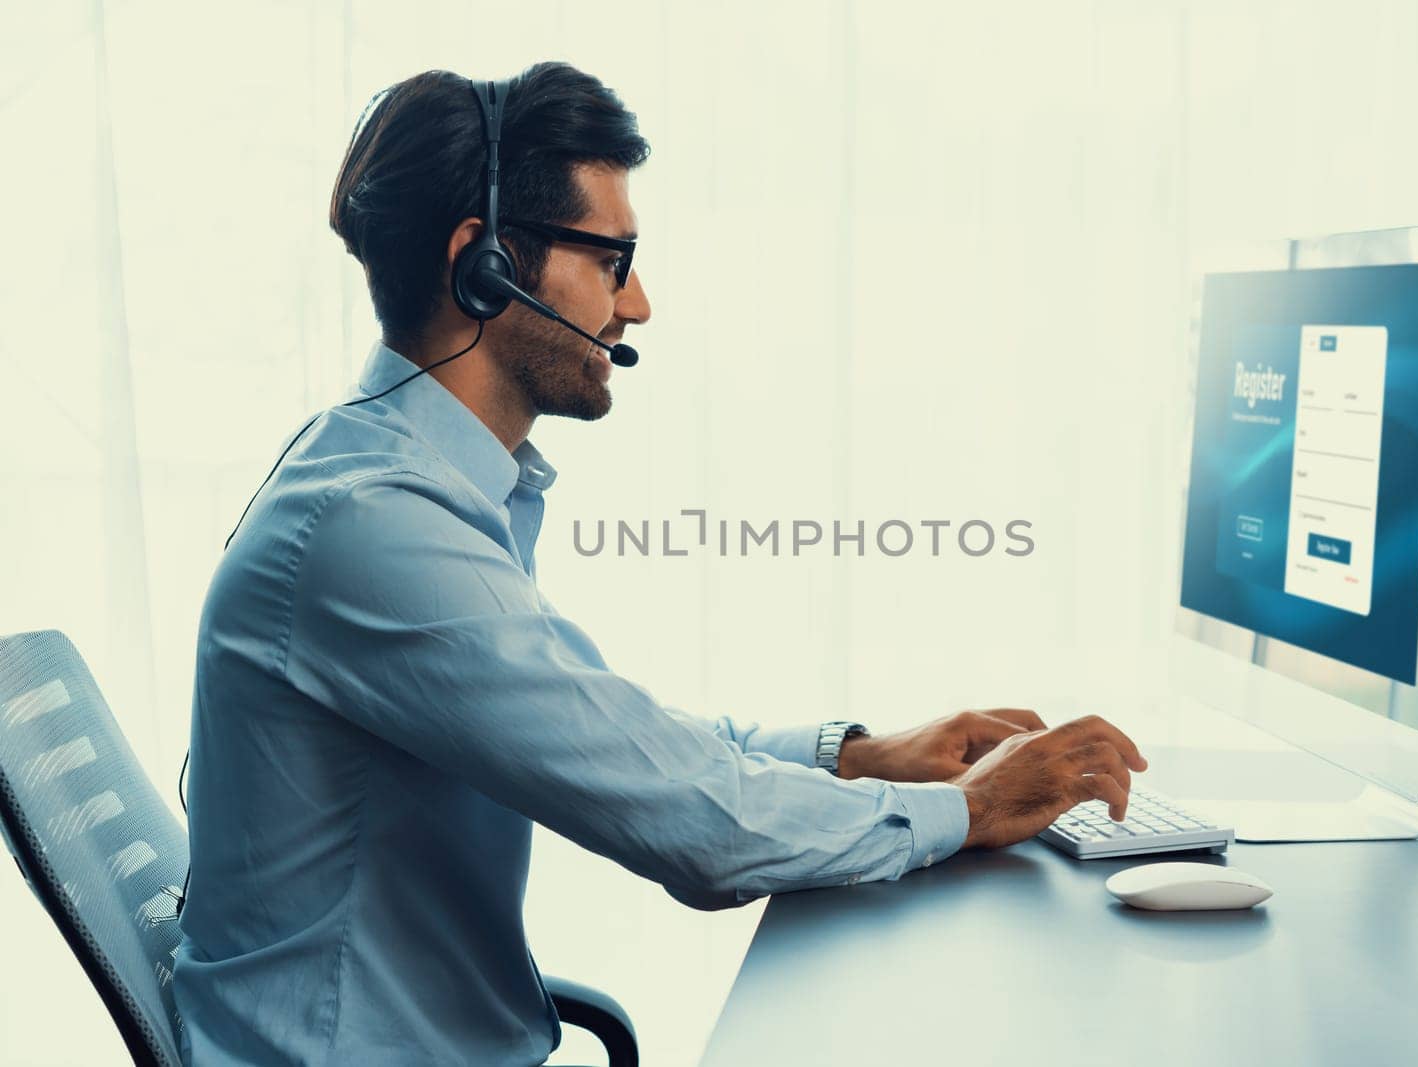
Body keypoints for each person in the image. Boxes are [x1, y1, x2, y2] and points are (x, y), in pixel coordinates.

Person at [172, 61, 1147, 1066]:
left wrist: (854, 753)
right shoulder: (372, 527)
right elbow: (694, 824)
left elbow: (608, 731)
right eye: (613, 259)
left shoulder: (402, 480)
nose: (637, 303)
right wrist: (972, 807)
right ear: (487, 267)